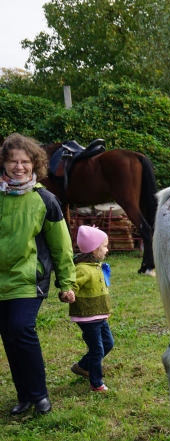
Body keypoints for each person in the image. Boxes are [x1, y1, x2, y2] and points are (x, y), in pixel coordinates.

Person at [0, 133, 76, 416]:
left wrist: (66, 282)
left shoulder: (45, 199)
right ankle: (24, 396)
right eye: (12, 161)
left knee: (21, 328)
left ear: (35, 164)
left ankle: (40, 394)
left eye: (25, 161)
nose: (19, 167)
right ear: (4, 163)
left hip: (28, 279)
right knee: (9, 335)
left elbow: (61, 246)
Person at [69, 225, 114, 393]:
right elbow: (72, 285)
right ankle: (96, 383)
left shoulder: (96, 266)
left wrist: (105, 311)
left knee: (108, 343)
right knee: (97, 350)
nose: (107, 250)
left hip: (98, 315)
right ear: (94, 249)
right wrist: (69, 293)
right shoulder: (82, 269)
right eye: (105, 246)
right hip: (87, 317)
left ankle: (82, 366)